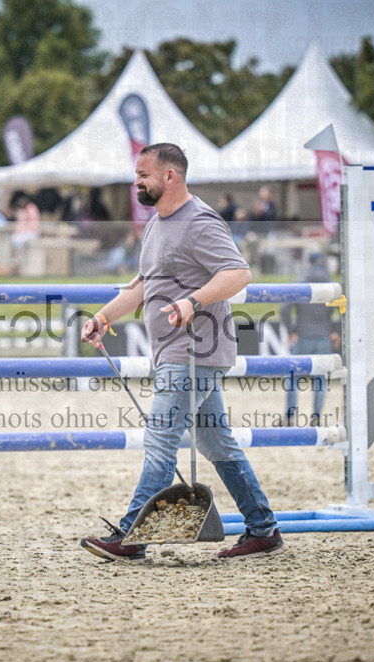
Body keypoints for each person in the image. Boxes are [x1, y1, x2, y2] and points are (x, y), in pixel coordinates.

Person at [80, 143, 283, 562]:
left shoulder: (200, 222)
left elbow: (238, 273)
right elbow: (142, 285)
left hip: (193, 354)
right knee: (218, 446)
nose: (136, 181)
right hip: (180, 354)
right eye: (136, 174)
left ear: (170, 176)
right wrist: (103, 317)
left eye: (144, 175)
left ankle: (130, 537)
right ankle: (263, 530)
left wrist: (193, 301)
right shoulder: (157, 224)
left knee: (160, 440)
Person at [281, 252, 339, 426]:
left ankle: (290, 417)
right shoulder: (331, 285)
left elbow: (284, 308)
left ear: (308, 263)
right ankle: (316, 418)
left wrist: (291, 331)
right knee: (320, 380)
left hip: (303, 335)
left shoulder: (299, 282)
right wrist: (333, 330)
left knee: (292, 378)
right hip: (323, 337)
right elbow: (341, 310)